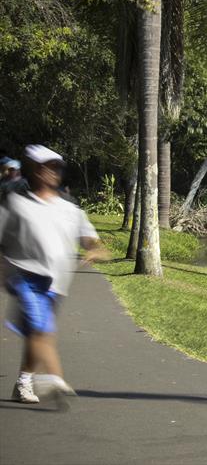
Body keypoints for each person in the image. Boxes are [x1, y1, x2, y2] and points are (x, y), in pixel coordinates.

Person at [0, 145, 108, 404]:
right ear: (34, 170)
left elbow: (91, 239)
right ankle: (55, 378)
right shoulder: (16, 203)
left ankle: (24, 381)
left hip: (56, 284)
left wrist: (95, 250)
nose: (52, 172)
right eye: (46, 166)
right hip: (24, 277)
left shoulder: (69, 208)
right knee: (40, 328)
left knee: (37, 333)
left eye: (56, 167)